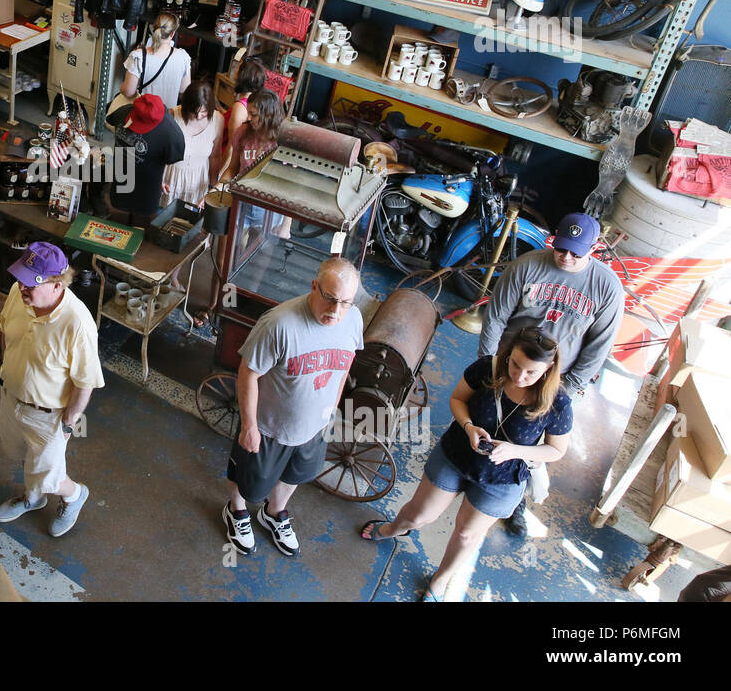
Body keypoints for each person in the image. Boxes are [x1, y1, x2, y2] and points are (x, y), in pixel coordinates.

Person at [359, 329, 573, 601]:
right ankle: (393, 528)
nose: (519, 376)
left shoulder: (558, 401)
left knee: (466, 535)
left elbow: (556, 450)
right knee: (419, 514)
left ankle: (440, 580)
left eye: (531, 373)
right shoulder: (488, 368)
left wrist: (514, 451)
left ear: (549, 369)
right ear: (508, 354)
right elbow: (458, 399)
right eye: (515, 364)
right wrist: (469, 426)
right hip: (457, 453)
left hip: (502, 478)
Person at [478, 212, 623, 535]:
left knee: (531, 447)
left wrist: (565, 391)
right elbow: (496, 318)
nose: (567, 257)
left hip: (556, 381)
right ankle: (470, 472)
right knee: (490, 423)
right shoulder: (526, 266)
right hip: (509, 366)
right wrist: (488, 366)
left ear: (594, 248)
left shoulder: (607, 288)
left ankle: (515, 503)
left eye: (576, 252)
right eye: (562, 248)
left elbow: (598, 347)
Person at [223, 257, 364, 557]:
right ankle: (236, 510)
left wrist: (331, 410)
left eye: (346, 302)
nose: (336, 311)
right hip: (269, 428)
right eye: (330, 299)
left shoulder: (353, 319)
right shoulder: (279, 324)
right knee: (249, 483)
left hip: (314, 427)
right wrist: (249, 427)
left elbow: (346, 363)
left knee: (296, 475)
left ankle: (274, 513)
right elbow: (248, 373)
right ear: (314, 286)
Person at [0, 242, 104, 538]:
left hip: (48, 415)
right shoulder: (19, 297)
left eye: (31, 282)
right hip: (11, 397)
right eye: (20, 278)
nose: (21, 287)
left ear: (57, 284)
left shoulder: (78, 324)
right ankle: (34, 499)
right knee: (20, 454)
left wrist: (69, 422)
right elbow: (7, 333)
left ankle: (74, 494)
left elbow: (85, 381)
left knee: (49, 476)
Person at [106, 93, 184, 228]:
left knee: (139, 237)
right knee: (114, 231)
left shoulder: (172, 135)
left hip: (146, 197)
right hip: (118, 189)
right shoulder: (123, 112)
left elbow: (172, 160)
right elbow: (110, 120)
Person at [220, 88, 283, 245]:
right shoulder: (243, 132)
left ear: (268, 115)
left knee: (255, 260)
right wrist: (218, 189)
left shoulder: (282, 141)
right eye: (248, 112)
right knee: (226, 256)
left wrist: (286, 225)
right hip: (241, 203)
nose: (248, 118)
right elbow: (233, 168)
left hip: (268, 209)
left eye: (253, 115)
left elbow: (290, 187)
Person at [162, 80, 225, 208]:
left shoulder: (218, 120)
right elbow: (159, 151)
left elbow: (215, 156)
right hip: (170, 179)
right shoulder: (172, 115)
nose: (198, 116)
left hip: (198, 183)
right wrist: (157, 180)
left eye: (204, 112)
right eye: (194, 112)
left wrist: (212, 187)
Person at [119, 11, 192, 111]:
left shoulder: (139, 56)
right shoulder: (183, 57)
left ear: (153, 28)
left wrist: (122, 88)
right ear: (172, 33)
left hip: (143, 117)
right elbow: (184, 90)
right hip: (167, 118)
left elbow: (128, 92)